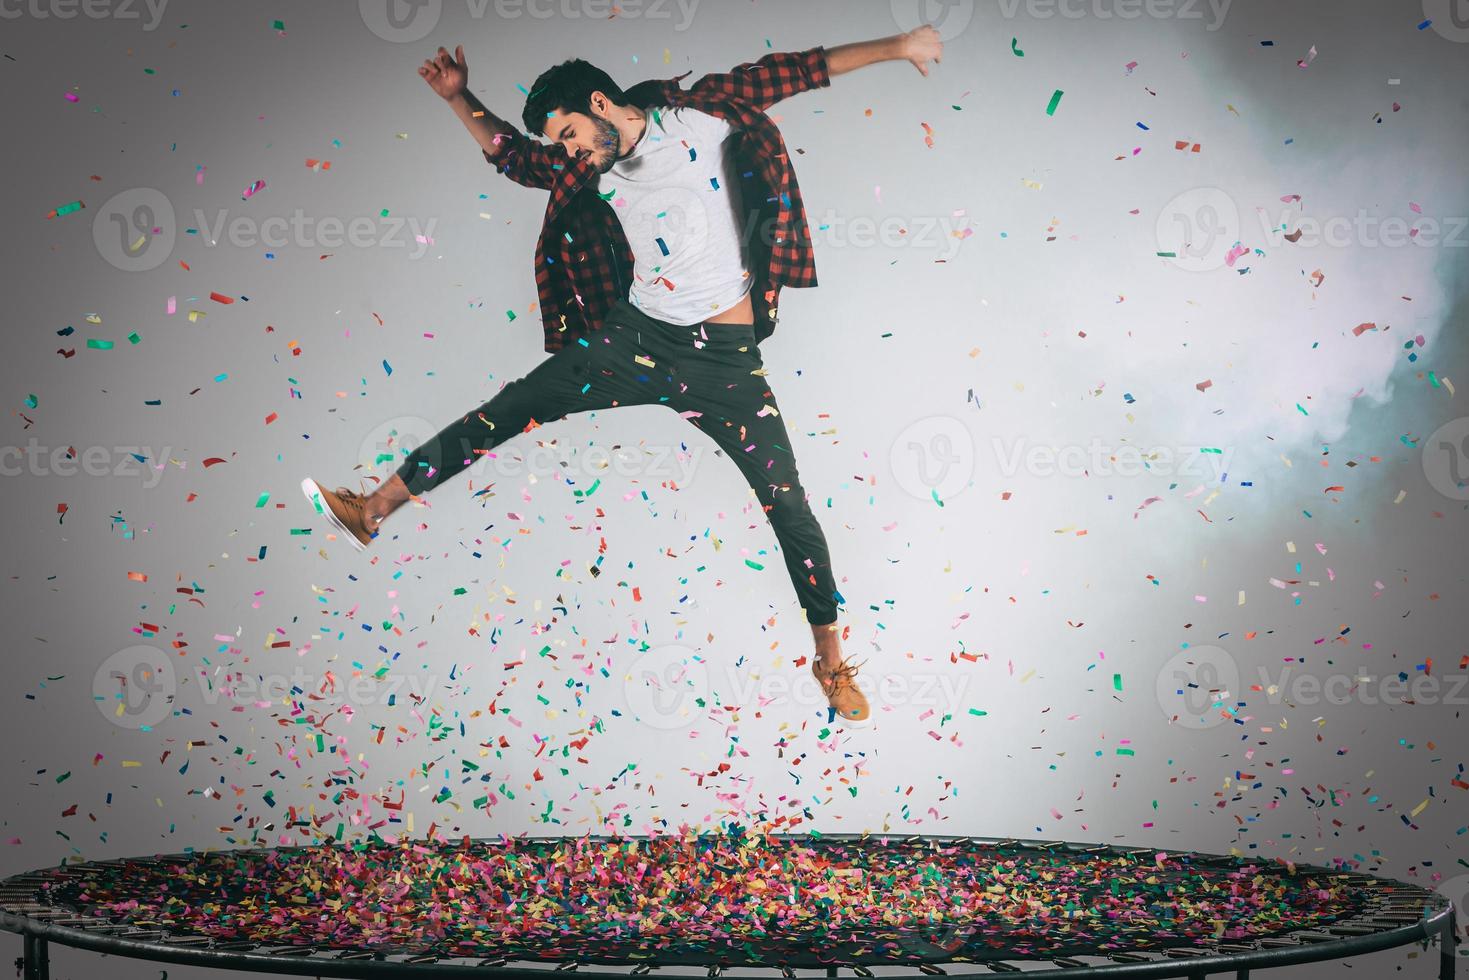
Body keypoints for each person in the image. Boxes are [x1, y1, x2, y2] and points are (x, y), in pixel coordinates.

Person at [303, 28, 944, 723]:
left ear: (602, 103)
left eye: (573, 132)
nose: (570, 150)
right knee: (510, 408)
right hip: (635, 340)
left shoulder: (703, 114)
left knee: (787, 506)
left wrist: (899, 45)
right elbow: (515, 159)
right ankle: (371, 509)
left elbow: (795, 70)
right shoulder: (588, 167)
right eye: (564, 143)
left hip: (723, 364)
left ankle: (829, 661)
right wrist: (462, 100)